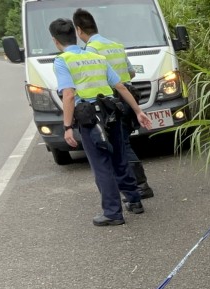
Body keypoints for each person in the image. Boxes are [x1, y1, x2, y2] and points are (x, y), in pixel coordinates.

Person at [50, 18, 152, 226]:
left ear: (55, 40)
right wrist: (138, 111)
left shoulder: (62, 61)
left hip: (90, 118)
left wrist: (67, 127)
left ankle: (112, 213)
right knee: (119, 158)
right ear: (75, 34)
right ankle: (134, 201)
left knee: (102, 165)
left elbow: (69, 95)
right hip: (112, 111)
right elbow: (121, 86)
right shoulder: (96, 56)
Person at [72, 8, 155, 199]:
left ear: (78, 30)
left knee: (121, 145)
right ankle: (134, 185)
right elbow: (131, 72)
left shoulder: (91, 50)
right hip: (128, 96)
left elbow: (97, 77)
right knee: (124, 142)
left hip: (112, 101)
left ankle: (140, 185)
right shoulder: (116, 45)